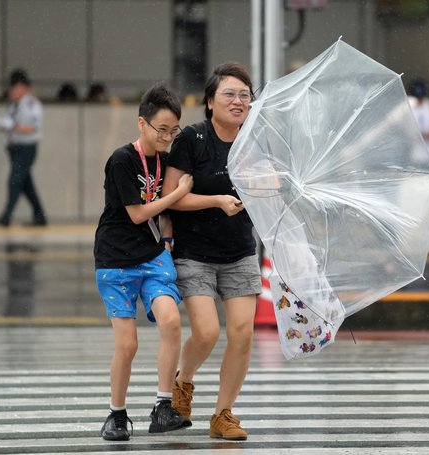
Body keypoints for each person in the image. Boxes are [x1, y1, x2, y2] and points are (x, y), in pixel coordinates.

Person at [164, 62, 261, 441]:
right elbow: (173, 196)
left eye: (244, 96)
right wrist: (216, 201)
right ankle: (183, 381)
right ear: (210, 102)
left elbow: (267, 193)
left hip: (239, 251)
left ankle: (223, 414)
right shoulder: (193, 139)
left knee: (242, 333)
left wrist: (271, 186)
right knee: (206, 333)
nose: (238, 101)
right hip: (195, 252)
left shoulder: (255, 142)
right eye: (230, 94)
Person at [94, 82, 193, 441]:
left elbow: (164, 215)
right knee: (128, 344)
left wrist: (167, 238)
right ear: (141, 123)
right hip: (115, 259)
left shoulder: (165, 160)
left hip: (152, 257)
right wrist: (180, 193)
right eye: (161, 129)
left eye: (173, 130)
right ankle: (116, 414)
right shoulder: (123, 159)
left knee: (170, 322)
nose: (168, 137)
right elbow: (137, 214)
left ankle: (162, 406)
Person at [0, 69, 47, 226]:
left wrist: (12, 125)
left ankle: (6, 216)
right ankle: (40, 216)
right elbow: (11, 125)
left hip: (26, 148)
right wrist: (2, 124)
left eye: (15, 87)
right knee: (26, 185)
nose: (12, 91)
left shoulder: (31, 104)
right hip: (14, 148)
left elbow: (32, 128)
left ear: (24, 88)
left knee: (15, 181)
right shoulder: (13, 104)